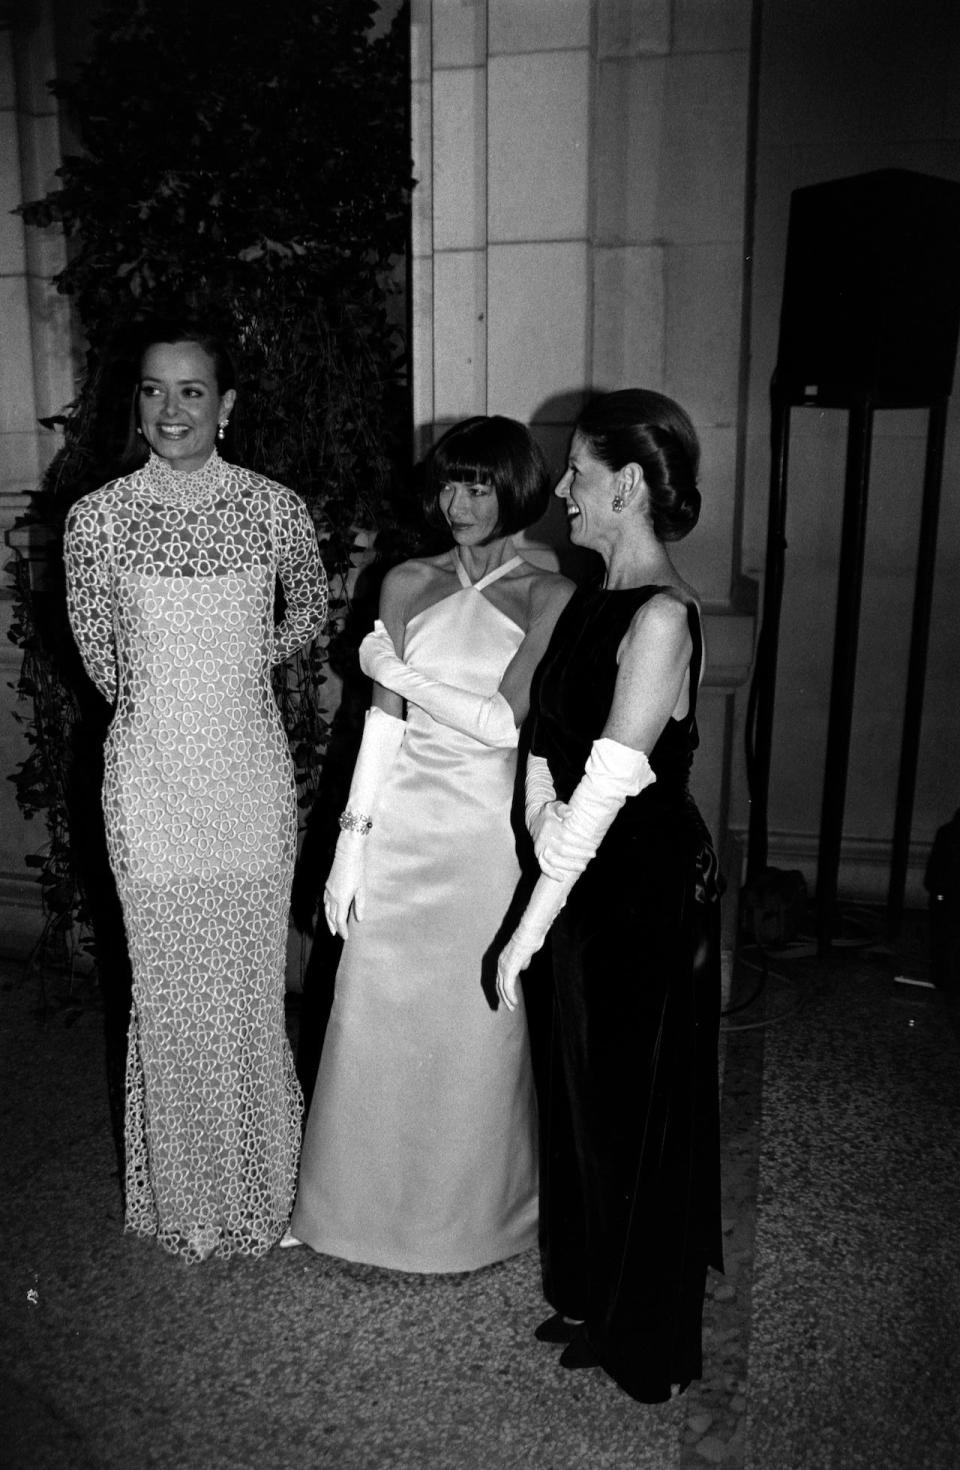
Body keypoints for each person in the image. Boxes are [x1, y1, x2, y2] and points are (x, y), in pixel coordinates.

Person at [63, 319, 328, 1261]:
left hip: (248, 778)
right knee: (171, 989)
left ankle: (265, 1188)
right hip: (151, 780)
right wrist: (173, 700)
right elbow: (101, 658)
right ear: (134, 403)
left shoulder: (274, 509)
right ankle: (187, 1199)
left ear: (227, 404)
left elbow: (311, 608)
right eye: (151, 390)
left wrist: (235, 669)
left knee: (251, 988)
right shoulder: (95, 519)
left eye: (190, 391)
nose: (169, 410)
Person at [286, 415, 573, 1271]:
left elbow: (503, 722)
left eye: (479, 485)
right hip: (402, 824)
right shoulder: (407, 580)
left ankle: (470, 1224)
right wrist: (350, 845)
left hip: (486, 838)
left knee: (475, 1029)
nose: (458, 502)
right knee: (368, 1015)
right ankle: (343, 1211)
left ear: (516, 488)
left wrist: (392, 668)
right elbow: (382, 728)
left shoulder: (549, 595)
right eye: (450, 483)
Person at [496, 389, 723, 1402]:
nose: (565, 496)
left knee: (636, 1105)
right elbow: (544, 735)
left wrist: (523, 930)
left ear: (628, 484)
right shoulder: (586, 602)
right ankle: (592, 1289)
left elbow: (609, 786)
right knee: (576, 1082)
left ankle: (649, 1337)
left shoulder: (665, 617)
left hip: (638, 889)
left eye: (579, 474)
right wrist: (540, 826)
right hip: (581, 874)